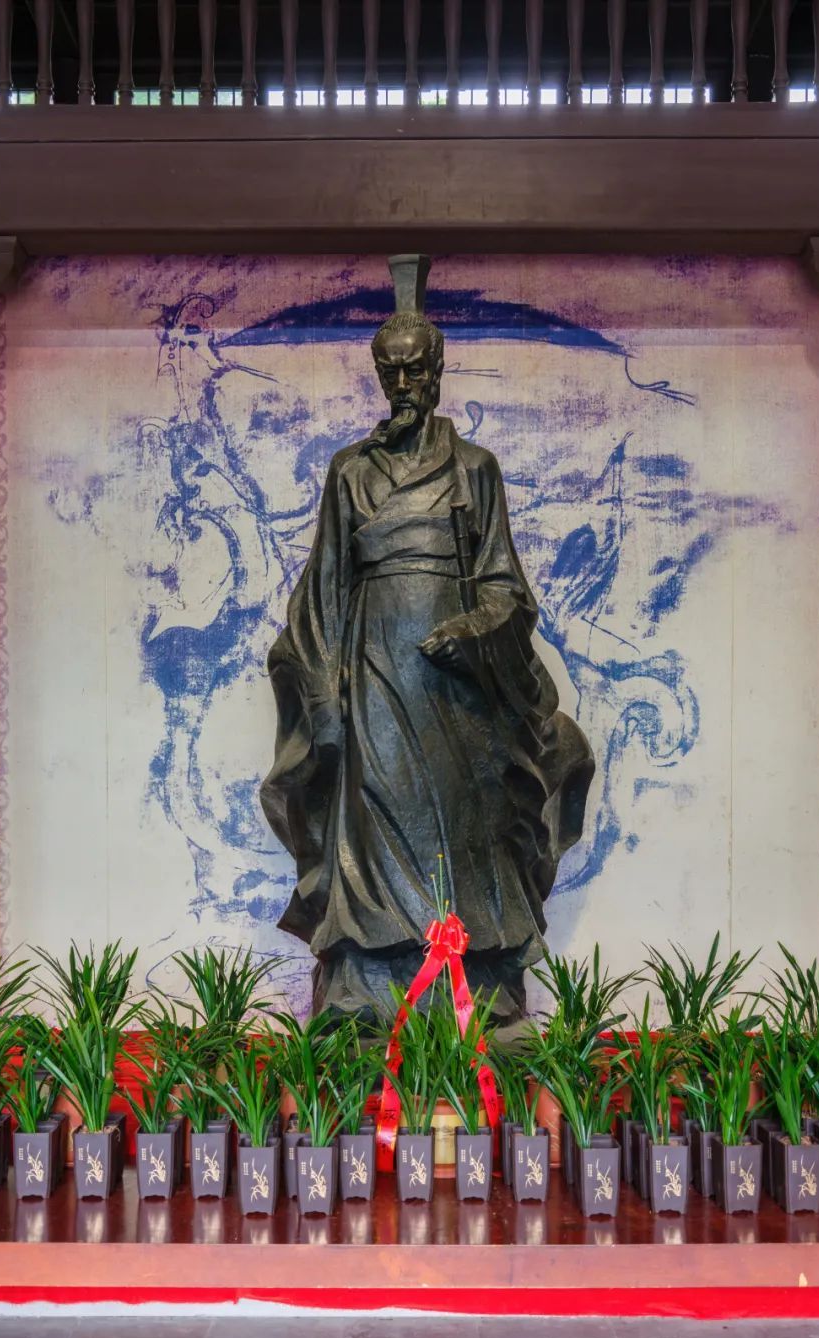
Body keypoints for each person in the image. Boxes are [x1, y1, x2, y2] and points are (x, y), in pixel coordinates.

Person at [261, 256, 595, 1020]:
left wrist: (477, 627)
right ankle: (365, 987)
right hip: (375, 675)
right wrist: (326, 694)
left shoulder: (475, 469)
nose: (405, 385)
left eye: (417, 371)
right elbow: (324, 589)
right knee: (373, 819)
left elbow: (506, 585)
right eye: (392, 372)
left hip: (457, 688)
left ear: (439, 373)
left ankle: (474, 981)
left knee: (464, 825)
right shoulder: (350, 472)